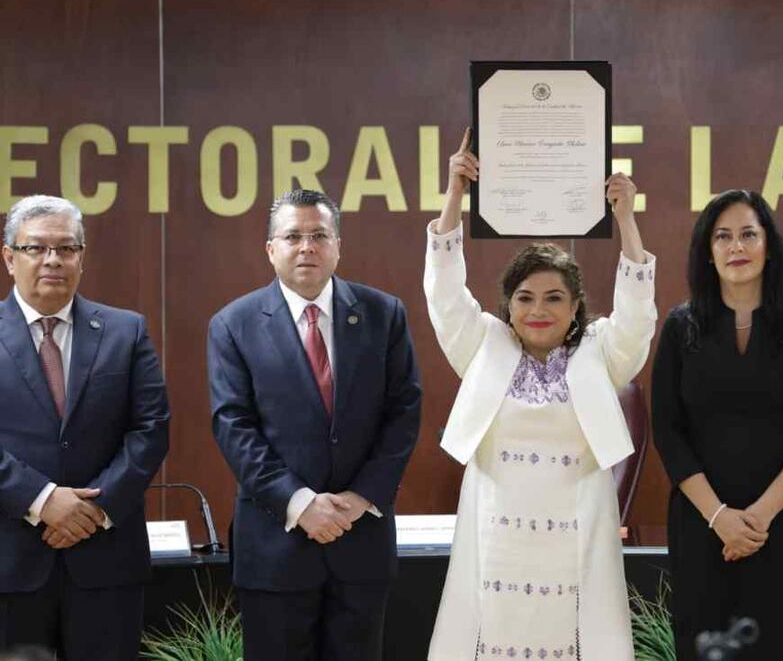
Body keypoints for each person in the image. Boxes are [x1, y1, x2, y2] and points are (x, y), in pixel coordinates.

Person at [426, 129, 656, 660]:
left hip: (577, 543)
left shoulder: (601, 352)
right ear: (507, 307)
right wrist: (455, 193)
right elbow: (443, 294)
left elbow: (638, 319)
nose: (539, 309)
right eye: (525, 297)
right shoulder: (483, 344)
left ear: (576, 308)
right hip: (497, 542)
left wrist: (626, 219)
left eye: (555, 298)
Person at [208, 189, 421, 660]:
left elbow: (404, 411)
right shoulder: (233, 324)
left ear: (338, 246)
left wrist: (362, 496)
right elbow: (233, 426)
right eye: (293, 236)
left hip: (359, 540)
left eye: (319, 235)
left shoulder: (383, 314)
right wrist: (300, 503)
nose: (307, 247)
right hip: (275, 547)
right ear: (271, 249)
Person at [651, 189, 783, 660]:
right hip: (703, 528)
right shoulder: (681, 328)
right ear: (708, 252)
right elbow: (668, 432)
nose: (737, 247)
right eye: (723, 236)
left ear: (768, 246)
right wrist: (721, 519)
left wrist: (758, 518)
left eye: (748, 235)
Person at [0, 195, 170, 659]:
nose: (53, 259)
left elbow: (151, 429)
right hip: (10, 563)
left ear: (82, 257)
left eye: (66, 248)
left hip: (106, 561)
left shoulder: (125, 331)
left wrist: (93, 510)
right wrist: (41, 499)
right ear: (9, 257)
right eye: (36, 248)